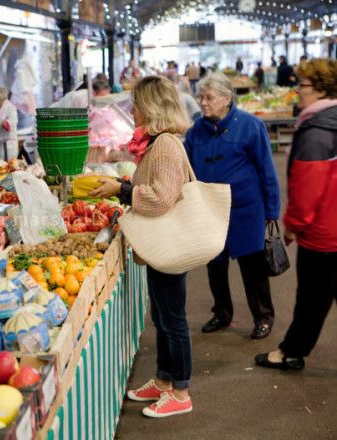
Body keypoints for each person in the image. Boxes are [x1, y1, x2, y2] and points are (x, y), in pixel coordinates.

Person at [91, 76, 194, 418]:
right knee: (162, 316)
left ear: (151, 107)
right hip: (159, 244)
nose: (132, 110)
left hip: (168, 244)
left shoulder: (164, 145)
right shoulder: (157, 143)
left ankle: (181, 391)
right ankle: (165, 380)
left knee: (173, 319)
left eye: (136, 104)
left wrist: (122, 191)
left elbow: (161, 198)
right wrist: (121, 184)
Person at [255, 58, 337, 371]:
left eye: (302, 85)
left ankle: (290, 352)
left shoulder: (317, 133)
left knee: (311, 302)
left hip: (323, 236)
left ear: (321, 90)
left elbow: (306, 194)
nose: (296, 92)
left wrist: (291, 228)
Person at [185, 72, 280, 339]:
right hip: (211, 212)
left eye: (209, 98)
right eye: (200, 97)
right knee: (215, 267)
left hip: (246, 210)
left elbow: (267, 170)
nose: (202, 103)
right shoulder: (195, 132)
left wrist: (272, 210)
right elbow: (188, 170)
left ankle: (263, 316)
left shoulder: (251, 126)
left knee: (254, 268)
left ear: (227, 98)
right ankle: (222, 313)